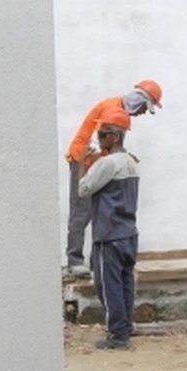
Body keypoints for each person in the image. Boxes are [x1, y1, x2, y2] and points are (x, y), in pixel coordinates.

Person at [64, 79, 162, 278]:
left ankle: (94, 263)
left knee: (98, 211)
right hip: (83, 160)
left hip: (97, 163)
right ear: (138, 100)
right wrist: (119, 159)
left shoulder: (120, 112)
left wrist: (122, 157)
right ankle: (74, 262)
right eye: (144, 107)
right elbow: (93, 146)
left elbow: (108, 148)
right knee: (81, 212)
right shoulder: (111, 109)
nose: (143, 112)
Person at [78, 107, 140, 350]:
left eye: (102, 135)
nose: (99, 139)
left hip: (109, 235)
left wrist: (85, 164)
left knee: (108, 284)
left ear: (114, 137)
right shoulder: (131, 162)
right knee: (125, 282)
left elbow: (83, 190)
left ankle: (117, 335)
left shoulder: (108, 164)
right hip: (128, 233)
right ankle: (126, 326)